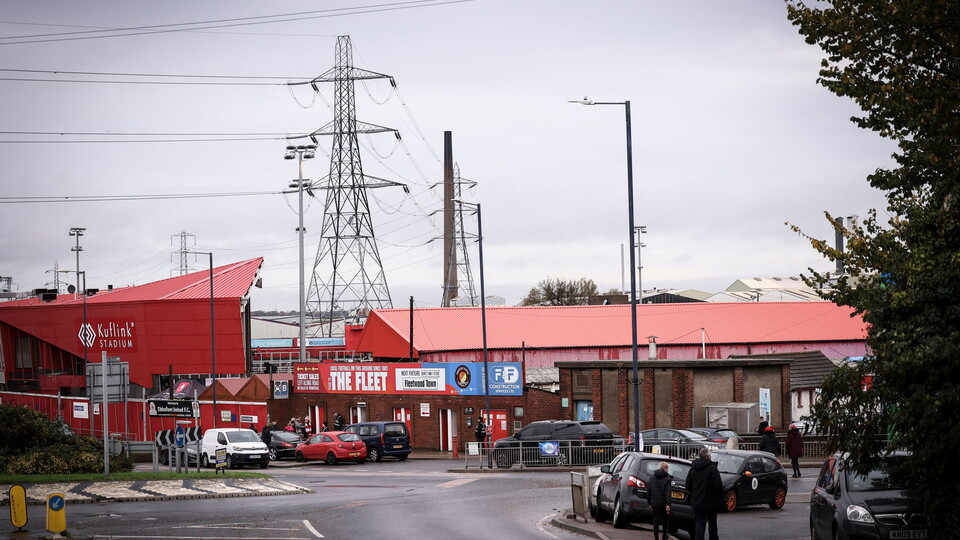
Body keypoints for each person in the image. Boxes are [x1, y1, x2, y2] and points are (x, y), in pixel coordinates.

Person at [686, 447, 723, 540]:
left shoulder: (693, 468)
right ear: (708, 456)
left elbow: (688, 485)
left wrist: (694, 494)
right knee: (712, 525)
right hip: (711, 502)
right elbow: (718, 485)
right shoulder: (712, 468)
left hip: (697, 501)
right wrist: (717, 496)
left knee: (699, 524)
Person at [647, 461, 673, 540]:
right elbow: (667, 493)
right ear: (665, 468)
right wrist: (668, 504)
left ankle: (656, 538)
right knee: (665, 521)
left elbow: (649, 491)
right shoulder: (668, 479)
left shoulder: (652, 477)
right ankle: (664, 536)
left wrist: (649, 502)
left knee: (656, 521)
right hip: (663, 503)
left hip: (654, 502)